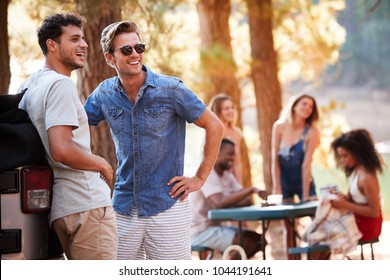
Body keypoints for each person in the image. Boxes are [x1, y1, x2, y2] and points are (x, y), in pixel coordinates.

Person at [84, 20, 223, 260]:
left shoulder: (171, 90)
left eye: (139, 47)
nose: (135, 54)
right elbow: (74, 125)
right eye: (126, 50)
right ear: (110, 58)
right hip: (123, 207)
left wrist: (199, 178)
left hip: (167, 205)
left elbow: (215, 126)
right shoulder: (103, 94)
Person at [18, 13, 118, 260]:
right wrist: (102, 163)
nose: (83, 44)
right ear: (52, 45)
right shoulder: (60, 85)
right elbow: (61, 149)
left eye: (83, 39)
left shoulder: (29, 85)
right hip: (86, 205)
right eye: (74, 39)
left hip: (61, 209)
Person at [190, 138, 268, 260]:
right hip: (199, 230)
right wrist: (251, 189)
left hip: (215, 227)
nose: (233, 158)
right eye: (229, 154)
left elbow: (246, 200)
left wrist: (235, 199)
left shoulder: (227, 175)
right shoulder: (207, 174)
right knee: (245, 243)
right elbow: (220, 203)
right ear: (217, 152)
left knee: (260, 241)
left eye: (234, 155)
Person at [271, 93, 320, 259]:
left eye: (311, 106)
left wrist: (306, 195)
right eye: (304, 104)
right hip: (285, 182)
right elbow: (274, 160)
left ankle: (315, 261)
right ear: (294, 106)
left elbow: (307, 165)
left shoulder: (312, 132)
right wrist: (277, 188)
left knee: (316, 223)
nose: (307, 108)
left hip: (304, 181)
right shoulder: (279, 127)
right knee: (289, 228)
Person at [330, 129, 383, 242]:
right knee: (321, 234)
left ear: (357, 153)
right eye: (340, 156)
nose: (342, 160)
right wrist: (339, 197)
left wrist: (345, 205)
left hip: (367, 226)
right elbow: (352, 198)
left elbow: (374, 212)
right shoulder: (355, 172)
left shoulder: (367, 177)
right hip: (356, 220)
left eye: (345, 156)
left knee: (323, 236)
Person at [209, 94, 243, 184]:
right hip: (215, 179)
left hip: (230, 180)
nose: (231, 111)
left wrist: (239, 186)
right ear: (218, 111)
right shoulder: (212, 132)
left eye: (232, 107)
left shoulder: (236, 133)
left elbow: (237, 163)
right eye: (226, 108)